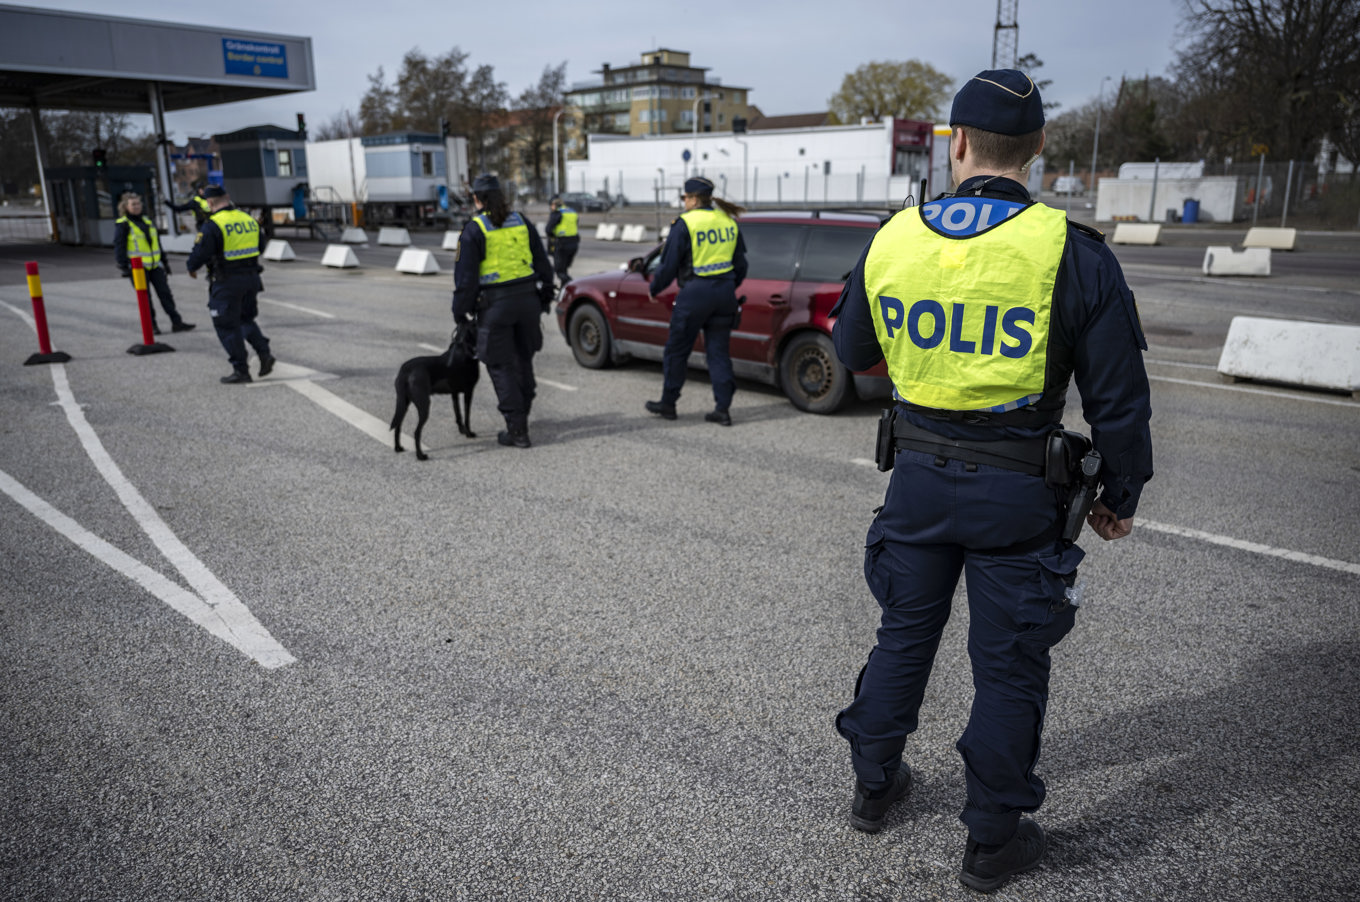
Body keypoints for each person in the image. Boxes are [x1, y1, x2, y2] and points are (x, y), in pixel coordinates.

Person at [830, 69, 1153, 893]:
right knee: (1009, 665)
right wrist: (1120, 493)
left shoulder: (894, 237)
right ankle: (991, 839)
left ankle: (874, 786)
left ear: (957, 144)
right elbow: (1118, 399)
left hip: (917, 483)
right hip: (1019, 495)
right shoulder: (1068, 250)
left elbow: (853, 353)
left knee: (904, 637)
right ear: (1039, 148)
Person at [451, 174, 555, 448]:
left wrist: (460, 313)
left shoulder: (474, 229)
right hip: (528, 303)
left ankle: (517, 430)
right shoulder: (522, 222)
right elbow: (543, 262)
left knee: (500, 366)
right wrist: (545, 294)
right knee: (523, 359)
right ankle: (522, 414)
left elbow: (466, 279)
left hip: (496, 306)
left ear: (476, 199)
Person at [644, 176, 748, 427]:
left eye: (684, 198)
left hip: (695, 293)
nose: (684, 202)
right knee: (719, 353)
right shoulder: (728, 222)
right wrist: (727, 287)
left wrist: (654, 288)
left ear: (692, 199)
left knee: (677, 350)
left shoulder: (685, 224)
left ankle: (668, 404)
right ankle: (722, 410)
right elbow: (741, 265)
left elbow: (668, 266)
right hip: (724, 294)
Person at [185, 186, 275, 384]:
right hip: (252, 278)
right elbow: (260, 246)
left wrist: (191, 266)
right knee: (245, 319)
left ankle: (241, 371)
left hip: (226, 281)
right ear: (227, 197)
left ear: (209, 203)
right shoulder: (248, 219)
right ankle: (264, 352)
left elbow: (201, 253)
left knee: (227, 325)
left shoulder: (213, 224)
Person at [113, 193, 194, 335]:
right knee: (146, 298)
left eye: (138, 203)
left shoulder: (147, 221)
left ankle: (177, 322)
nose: (137, 206)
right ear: (126, 207)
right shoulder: (123, 224)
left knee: (166, 295)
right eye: (133, 204)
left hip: (155, 266)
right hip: (138, 268)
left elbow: (157, 244)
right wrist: (124, 267)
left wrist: (165, 263)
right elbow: (119, 246)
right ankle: (152, 326)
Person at [545, 195, 580, 288]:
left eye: (551, 206)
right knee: (564, 269)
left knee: (559, 270)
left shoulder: (557, 213)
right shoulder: (572, 212)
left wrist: (553, 237)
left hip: (562, 244)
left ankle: (571, 284)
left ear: (554, 205)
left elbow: (548, 229)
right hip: (574, 244)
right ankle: (563, 289)